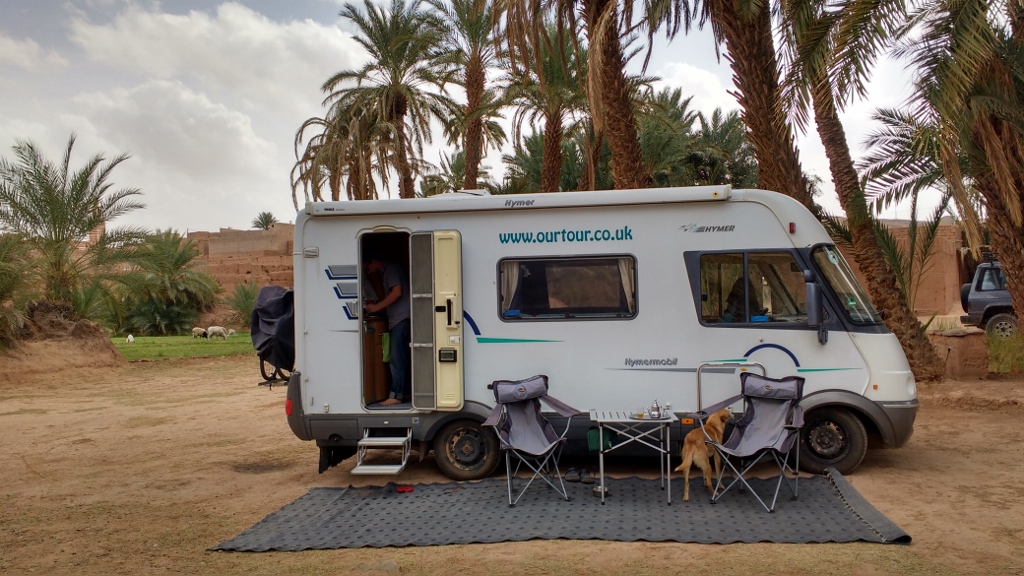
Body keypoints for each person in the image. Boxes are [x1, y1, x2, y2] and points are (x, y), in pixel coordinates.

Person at [362, 249, 411, 406]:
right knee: (398, 357)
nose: (368, 271)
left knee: (397, 358)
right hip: (399, 318)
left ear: (374, 261)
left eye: (367, 267)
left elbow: (397, 292)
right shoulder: (388, 271)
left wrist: (377, 308)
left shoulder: (391, 269)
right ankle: (401, 392)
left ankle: (396, 395)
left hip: (401, 319)